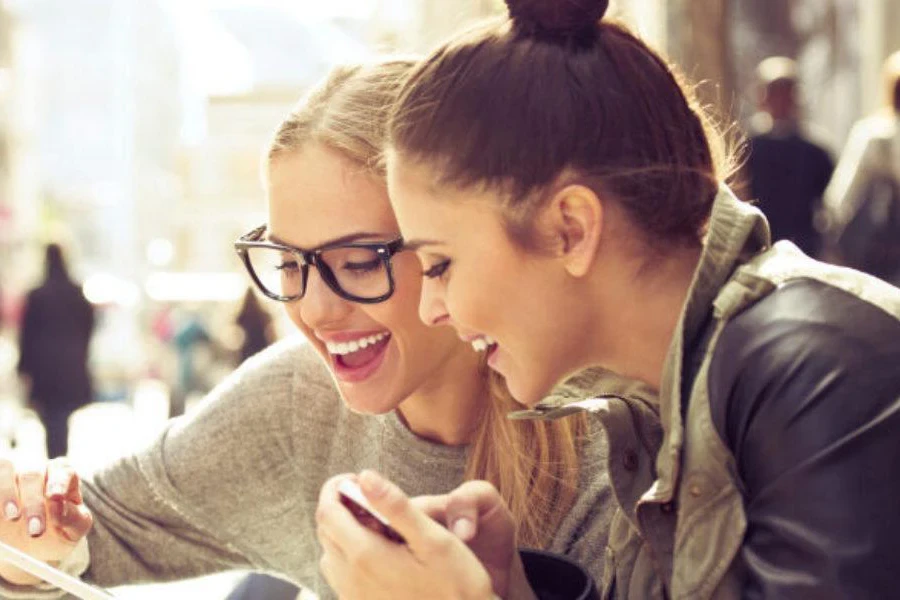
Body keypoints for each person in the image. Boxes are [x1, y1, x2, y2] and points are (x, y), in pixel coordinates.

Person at [0, 58, 657, 599]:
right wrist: (38, 542)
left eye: (359, 260)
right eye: (289, 261)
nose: (314, 310)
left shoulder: (622, 441)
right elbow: (104, 529)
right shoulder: (296, 402)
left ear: (447, 246)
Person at [314, 1, 900, 598]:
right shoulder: (659, 402)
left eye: (439, 265)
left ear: (571, 229)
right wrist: (511, 589)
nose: (431, 309)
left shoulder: (819, 369)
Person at [823, 50, 900, 284]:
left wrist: (834, 234)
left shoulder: (872, 135)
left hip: (878, 251)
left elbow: (841, 196)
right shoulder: (875, 136)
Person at [745, 56, 834, 257]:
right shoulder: (747, 149)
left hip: (804, 249)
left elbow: (829, 202)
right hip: (760, 249)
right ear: (762, 98)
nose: (780, 101)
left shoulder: (815, 152)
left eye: (785, 94)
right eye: (773, 94)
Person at [16, 243, 95, 459]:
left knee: (51, 418)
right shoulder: (77, 294)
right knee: (61, 417)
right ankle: (59, 460)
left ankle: (56, 460)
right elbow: (89, 327)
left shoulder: (37, 295)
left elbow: (27, 335)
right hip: (71, 366)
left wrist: (23, 367)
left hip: (45, 369)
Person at [234, 287, 276, 363]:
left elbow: (236, 325)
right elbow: (270, 326)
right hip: (261, 343)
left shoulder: (243, 313)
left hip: (248, 345)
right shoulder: (262, 312)